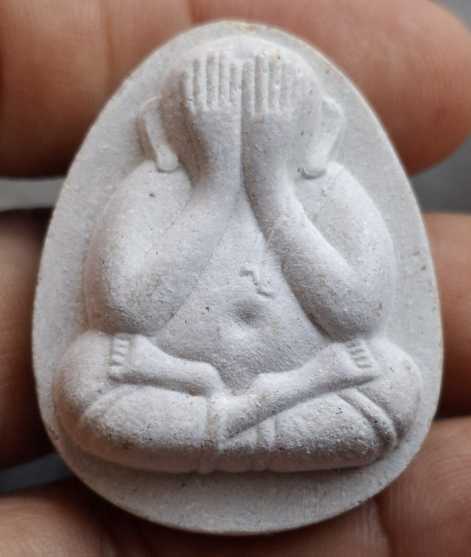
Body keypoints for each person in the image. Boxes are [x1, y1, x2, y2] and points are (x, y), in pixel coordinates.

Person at [0, 0, 471, 553]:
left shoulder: (329, 189)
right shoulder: (152, 187)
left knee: (395, 382)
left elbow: (358, 314)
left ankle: (214, 430)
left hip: (274, 391)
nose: (244, 128)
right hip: (191, 383)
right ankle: (249, 424)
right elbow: (125, 311)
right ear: (161, 129)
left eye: (269, 111)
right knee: (83, 376)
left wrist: (272, 187)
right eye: (216, 111)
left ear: (320, 129)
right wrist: (216, 183)